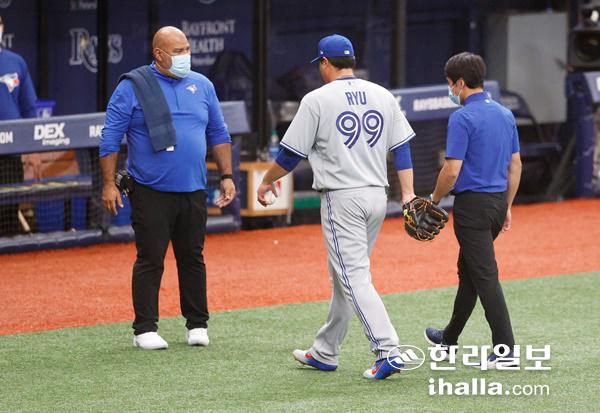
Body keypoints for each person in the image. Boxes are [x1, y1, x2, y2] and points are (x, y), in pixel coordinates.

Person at [257, 34, 417, 379]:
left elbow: (291, 155)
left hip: (343, 198)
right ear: (353, 61)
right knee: (344, 274)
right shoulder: (382, 94)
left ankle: (388, 350)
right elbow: (402, 148)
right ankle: (326, 351)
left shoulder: (316, 99)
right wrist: (408, 194)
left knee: (353, 276)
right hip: (377, 196)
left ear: (325, 63)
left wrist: (267, 180)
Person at [100, 26, 236, 350]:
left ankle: (197, 324)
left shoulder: (202, 85)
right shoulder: (132, 86)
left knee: (193, 257)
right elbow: (110, 138)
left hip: (193, 188)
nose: (185, 55)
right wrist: (108, 184)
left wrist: (227, 175)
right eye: (178, 51)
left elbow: (219, 133)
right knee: (150, 258)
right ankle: (144, 329)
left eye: (187, 49)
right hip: (150, 190)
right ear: (158, 54)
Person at [424, 52, 522, 368]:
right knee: (470, 273)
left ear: (461, 83)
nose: (451, 90)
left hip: (472, 209)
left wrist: (433, 199)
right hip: (496, 204)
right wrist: (507, 206)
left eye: (451, 84)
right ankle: (448, 339)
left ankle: (506, 351)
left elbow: (452, 170)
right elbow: (516, 165)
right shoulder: (505, 114)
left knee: (485, 276)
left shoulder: (462, 118)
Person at [0, 14, 39, 237]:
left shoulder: (16, 62)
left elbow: (29, 108)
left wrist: (33, 148)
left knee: (8, 213)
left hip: (11, 152)